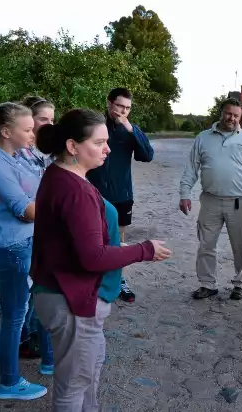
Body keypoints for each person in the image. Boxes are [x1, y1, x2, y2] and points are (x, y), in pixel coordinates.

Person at [31, 108, 171, 410]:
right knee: (72, 387)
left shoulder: (62, 176)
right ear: (72, 146)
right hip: (70, 299)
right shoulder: (73, 188)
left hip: (66, 294)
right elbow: (92, 257)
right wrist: (143, 250)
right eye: (98, 142)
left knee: (86, 377)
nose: (107, 148)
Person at [0, 103, 48, 400]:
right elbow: (27, 209)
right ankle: (9, 382)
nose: (33, 134)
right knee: (14, 316)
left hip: (24, 241)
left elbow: (37, 192)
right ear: (6, 132)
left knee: (28, 308)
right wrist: (56, 206)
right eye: (28, 129)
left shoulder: (15, 156)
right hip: (11, 247)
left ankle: (33, 365)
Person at [179, 97, 242, 301]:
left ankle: (240, 284)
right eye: (228, 113)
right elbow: (191, 168)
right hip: (210, 201)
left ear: (240, 117)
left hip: (239, 202)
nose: (231, 118)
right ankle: (207, 284)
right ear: (221, 113)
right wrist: (185, 194)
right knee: (206, 244)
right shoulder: (203, 138)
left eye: (236, 115)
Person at [87, 87, 155, 303]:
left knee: (117, 241)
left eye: (127, 108)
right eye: (119, 106)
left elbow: (147, 156)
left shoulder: (130, 130)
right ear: (109, 104)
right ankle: (92, 281)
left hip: (122, 194)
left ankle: (118, 281)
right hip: (94, 192)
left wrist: (131, 129)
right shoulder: (95, 126)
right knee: (92, 239)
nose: (123, 111)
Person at [16, 96, 55, 360]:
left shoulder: (42, 150)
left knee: (37, 284)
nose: (49, 124)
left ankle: (32, 333)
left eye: (53, 119)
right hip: (27, 227)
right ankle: (24, 338)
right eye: (44, 119)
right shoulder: (21, 152)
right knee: (28, 286)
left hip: (40, 226)